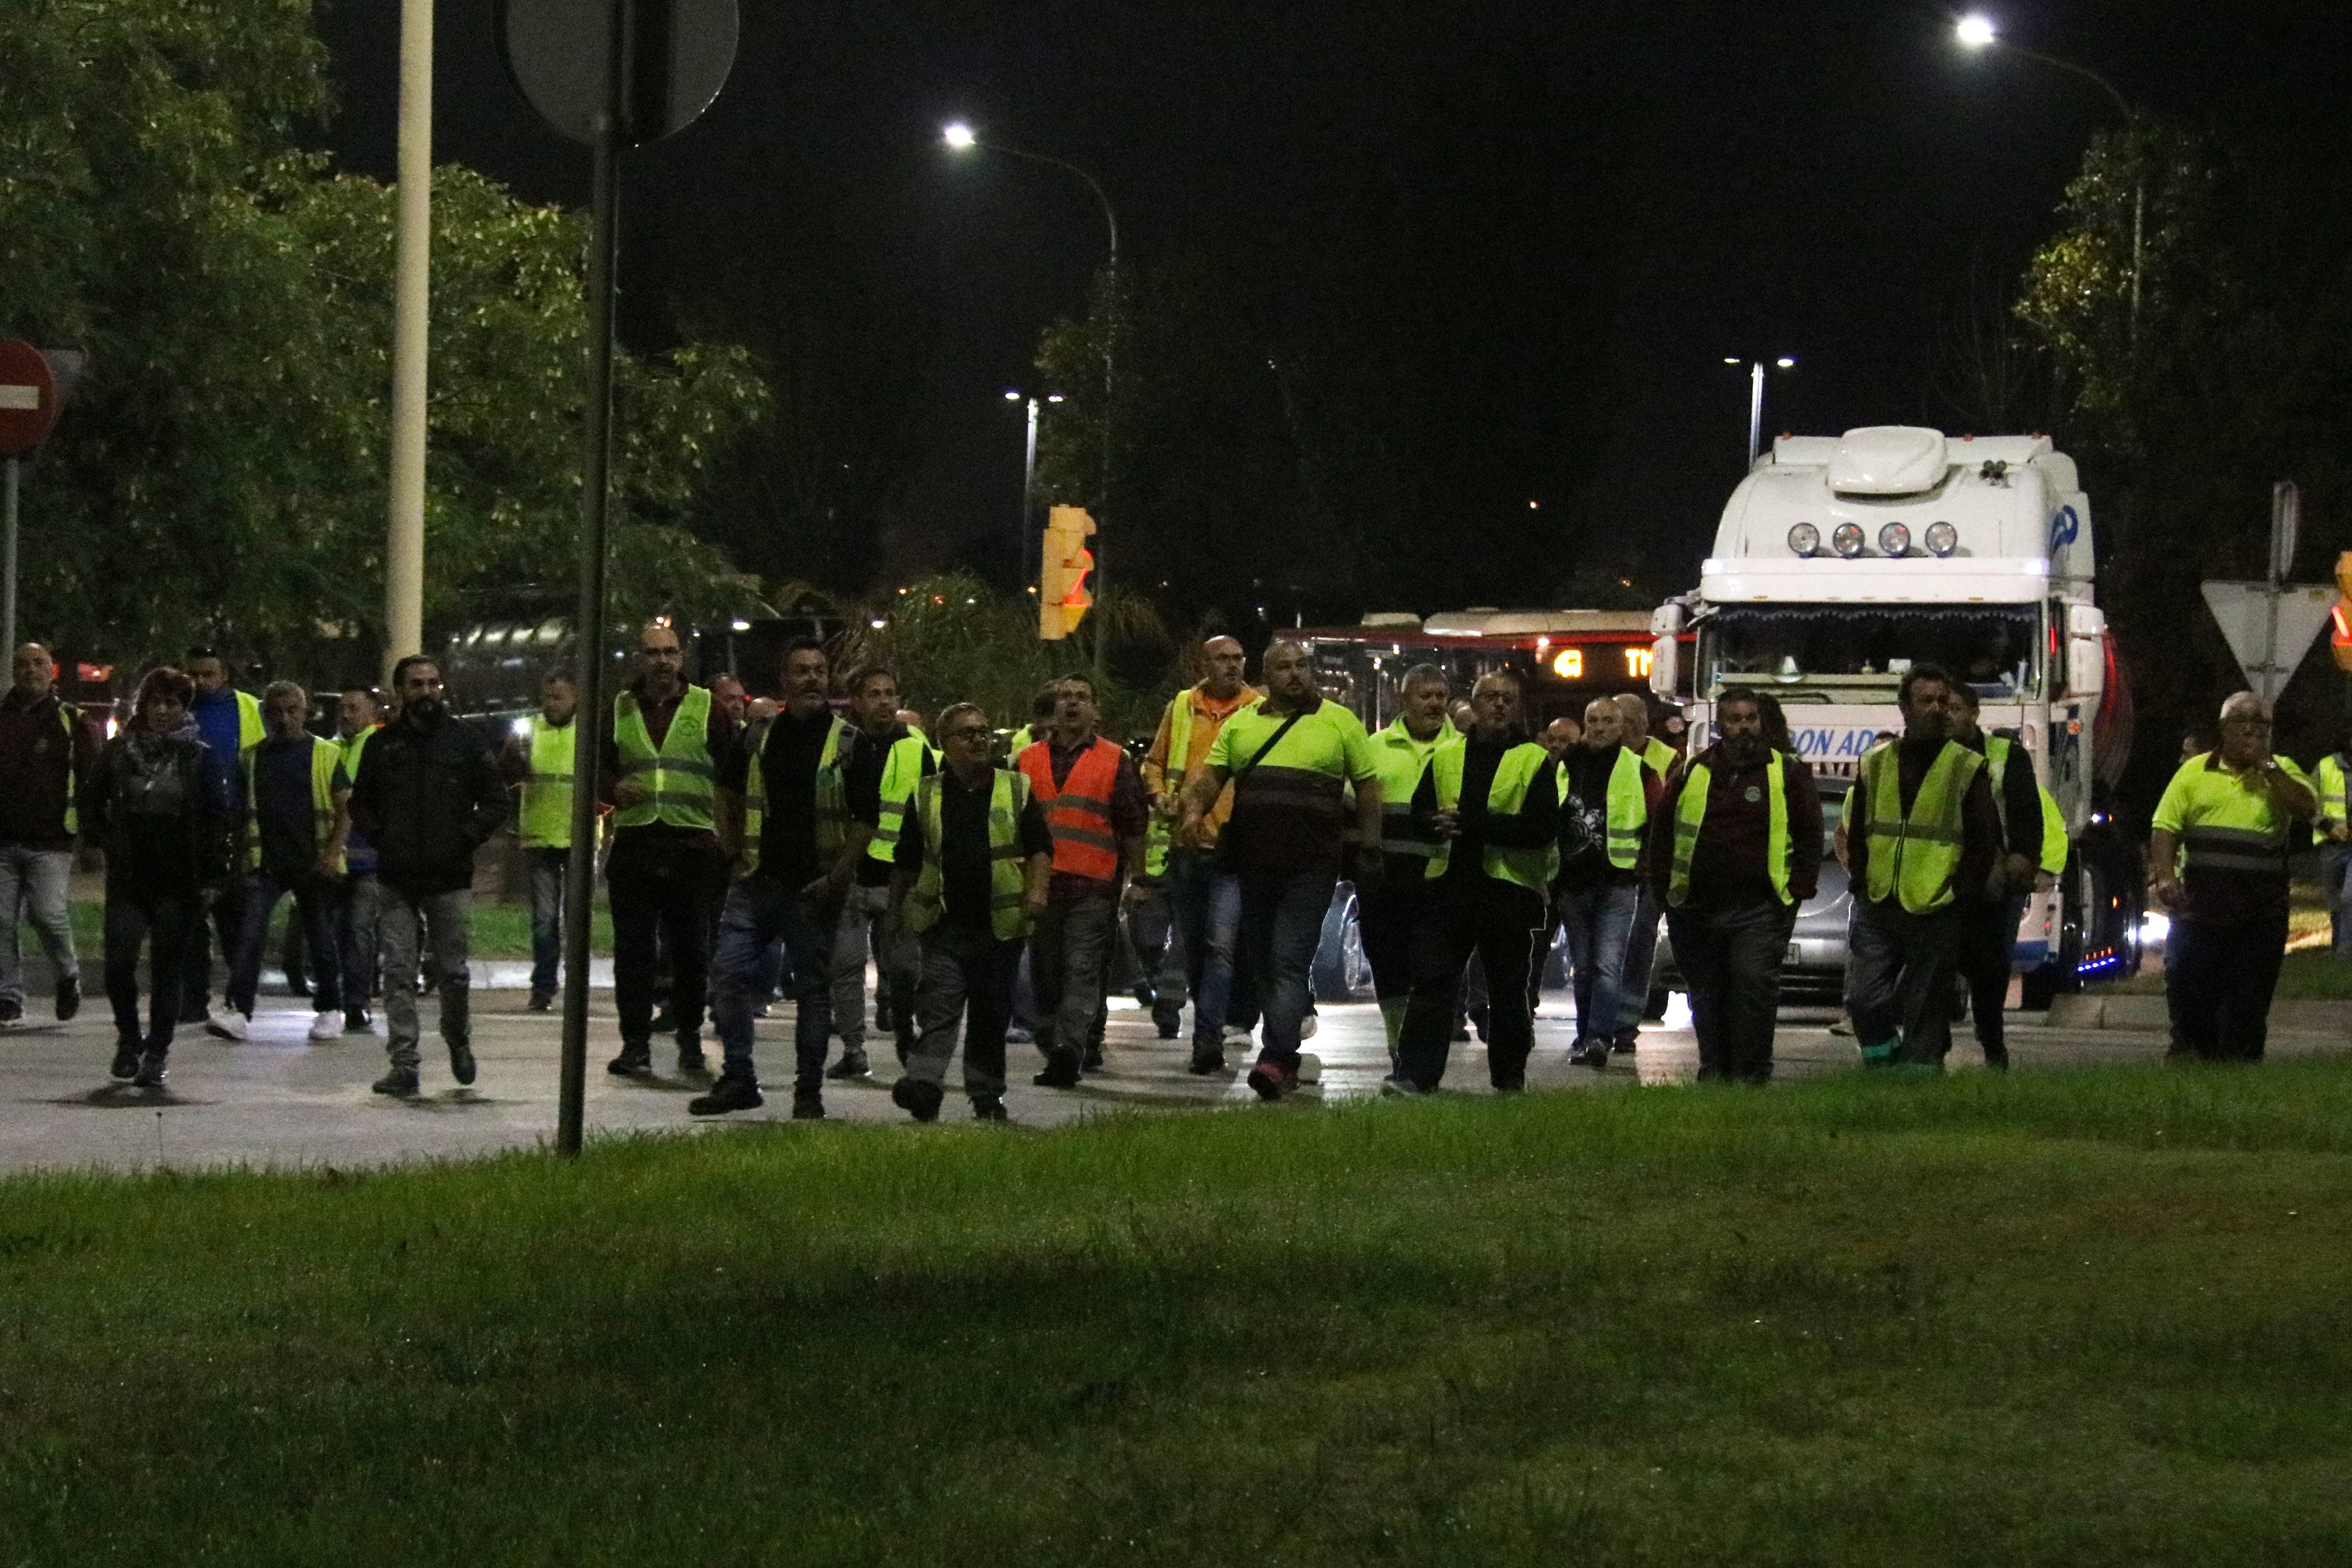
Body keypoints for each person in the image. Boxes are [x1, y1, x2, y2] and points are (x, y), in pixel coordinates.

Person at [1182, 640, 1381, 1101]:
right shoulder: (1243, 724)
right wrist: (1193, 811)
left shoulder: (1339, 722)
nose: (1296, 674)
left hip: (1310, 868)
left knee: (1288, 961)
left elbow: (1367, 788)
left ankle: (1274, 1057)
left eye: (1302, 666)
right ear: (1266, 677)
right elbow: (1211, 778)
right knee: (1262, 964)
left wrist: (1370, 847)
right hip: (1252, 866)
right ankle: (1284, 1058)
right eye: (1284, 667)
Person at [696, 638, 856, 1119]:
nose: (813, 678)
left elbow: (866, 819)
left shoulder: (846, 741)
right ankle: (739, 1078)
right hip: (755, 882)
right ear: (784, 680)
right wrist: (730, 854)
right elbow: (724, 792)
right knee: (727, 977)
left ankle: (808, 1092)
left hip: (812, 890)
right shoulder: (759, 735)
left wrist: (838, 877)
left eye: (820, 670)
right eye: (802, 670)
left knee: (812, 993)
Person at [348, 656, 509, 1097]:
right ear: (400, 691)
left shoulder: (465, 741)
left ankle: (458, 1039)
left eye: (433, 684)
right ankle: (404, 1063)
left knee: (453, 972)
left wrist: (465, 836)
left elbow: (497, 801)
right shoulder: (382, 747)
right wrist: (382, 837)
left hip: (449, 875)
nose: (427, 692)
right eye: (417, 684)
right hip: (397, 876)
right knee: (398, 970)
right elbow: (360, 803)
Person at [886, 702, 1055, 1121]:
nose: (980, 740)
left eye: (984, 732)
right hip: (945, 925)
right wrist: (894, 912)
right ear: (945, 744)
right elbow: (907, 860)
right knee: (939, 1009)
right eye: (967, 734)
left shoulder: (1015, 787)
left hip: (999, 927)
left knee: (989, 1016)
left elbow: (1040, 847)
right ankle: (924, 1085)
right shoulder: (926, 793)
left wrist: (1037, 891)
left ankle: (986, 1095)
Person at [1391, 669, 1557, 1092]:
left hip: (1508, 892)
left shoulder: (1533, 758)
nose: (1499, 705)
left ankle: (1508, 1077)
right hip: (1449, 888)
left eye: (1507, 698)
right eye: (1491, 697)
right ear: (1474, 704)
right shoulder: (1446, 755)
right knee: (1432, 984)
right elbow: (1419, 814)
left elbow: (1541, 828)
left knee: (1506, 992)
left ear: (1515, 706)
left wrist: (1476, 825)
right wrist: (1434, 824)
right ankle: (1416, 1075)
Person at [1647, 687, 1823, 1082]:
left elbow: (1811, 836)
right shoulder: (1692, 772)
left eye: (1750, 719)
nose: (1744, 727)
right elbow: (1663, 835)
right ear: (1719, 725)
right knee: (1707, 995)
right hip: (1696, 908)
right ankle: (1715, 1070)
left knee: (1752, 987)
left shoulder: (1787, 773)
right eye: (1735, 720)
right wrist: (1664, 894)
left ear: (1760, 722)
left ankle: (1753, 1072)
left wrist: (1797, 891)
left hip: (1759, 908)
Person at [1841, 663, 2003, 1070]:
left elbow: (1984, 838)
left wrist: (1962, 891)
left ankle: (1919, 1075)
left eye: (1942, 701)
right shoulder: (1875, 763)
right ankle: (1883, 1061)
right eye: (1925, 700)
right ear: (1904, 707)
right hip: (1878, 899)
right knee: (1863, 997)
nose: (1936, 709)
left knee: (1927, 999)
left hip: (1938, 901)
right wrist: (1860, 879)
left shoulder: (1966, 766)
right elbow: (1858, 827)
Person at [80, 667, 234, 1087]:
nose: (163, 711)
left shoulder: (198, 756)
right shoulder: (118, 752)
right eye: (155, 702)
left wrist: (213, 876)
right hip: (130, 876)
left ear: (184, 709)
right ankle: (129, 1040)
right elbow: (90, 800)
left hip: (178, 878)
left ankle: (158, 1051)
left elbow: (217, 820)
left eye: (172, 703)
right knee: (119, 965)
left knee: (167, 968)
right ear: (142, 705)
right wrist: (98, 841)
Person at [601, 623, 739, 1079]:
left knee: (690, 953)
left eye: (671, 652)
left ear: (682, 658)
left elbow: (732, 776)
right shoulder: (619, 709)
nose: (663, 661)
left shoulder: (708, 708)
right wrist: (614, 788)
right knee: (634, 954)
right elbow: (595, 769)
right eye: (653, 653)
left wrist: (731, 844)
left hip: (693, 845)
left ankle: (689, 1043)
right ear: (639, 659)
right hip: (637, 843)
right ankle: (635, 1044)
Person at [2149, 692, 2316, 1062]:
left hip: (2261, 914)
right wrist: (2165, 876)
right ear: (2223, 730)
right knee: (2192, 995)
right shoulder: (2194, 772)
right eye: (2243, 725)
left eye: (2262, 726)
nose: (2252, 733)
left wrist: (2269, 769)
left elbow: (2306, 808)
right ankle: (2190, 1059)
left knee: (2248, 1004)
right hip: (2200, 911)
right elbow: (2165, 827)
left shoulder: (2283, 769)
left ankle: (2239, 1073)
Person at [1019, 673, 1150, 1088]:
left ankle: (1067, 1053)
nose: (1072, 704)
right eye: (1065, 698)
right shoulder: (1026, 760)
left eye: (1081, 698)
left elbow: (1133, 824)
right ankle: (1057, 1039)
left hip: (1093, 886)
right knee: (1047, 973)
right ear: (1053, 708)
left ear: (1095, 709)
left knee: (1082, 970)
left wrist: (1138, 879)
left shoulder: (1115, 759)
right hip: (1039, 888)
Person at [1139, 634, 1263, 1066]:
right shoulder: (1181, 707)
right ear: (1204, 664)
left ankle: (1209, 1038)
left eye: (1238, 658)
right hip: (1187, 846)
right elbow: (1154, 762)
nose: (1233, 666)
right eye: (1223, 659)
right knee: (1195, 946)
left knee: (1221, 946)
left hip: (1235, 847)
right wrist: (1158, 795)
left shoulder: (1257, 710)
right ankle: (1216, 1022)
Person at [221, 681, 351, 1042]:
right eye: (276, 712)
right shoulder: (250, 758)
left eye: (292, 710)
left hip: (314, 864)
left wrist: (331, 852)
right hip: (266, 864)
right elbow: (238, 812)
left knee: (321, 936)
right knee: (250, 935)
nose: (284, 718)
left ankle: (330, 1008)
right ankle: (239, 1011)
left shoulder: (325, 755)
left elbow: (346, 808)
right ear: (265, 715)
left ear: (305, 713)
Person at [826, 665, 930, 1079]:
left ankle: (905, 1030)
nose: (885, 702)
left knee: (904, 970)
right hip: (850, 875)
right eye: (875, 694)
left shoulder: (916, 748)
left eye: (891, 693)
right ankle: (854, 1051)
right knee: (846, 968)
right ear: (857, 701)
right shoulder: (840, 745)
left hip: (897, 880)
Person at [1553, 695, 1660, 1069]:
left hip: (1618, 880)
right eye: (1593, 720)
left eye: (1607, 721)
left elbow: (1657, 826)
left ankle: (1599, 1037)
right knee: (1582, 967)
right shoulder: (1564, 766)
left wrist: (1644, 869)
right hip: (1572, 881)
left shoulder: (1640, 770)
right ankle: (1586, 1036)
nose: (1599, 728)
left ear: (1622, 727)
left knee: (1607, 966)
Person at [1947, 685, 2049, 1069]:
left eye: (1956, 708)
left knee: (1989, 972)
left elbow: (2026, 815)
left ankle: (1993, 1045)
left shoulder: (2006, 755)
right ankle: (1932, 1049)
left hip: (1994, 881)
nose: (1948, 716)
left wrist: (2021, 861)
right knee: (1939, 967)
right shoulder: (1934, 756)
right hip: (1945, 878)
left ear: (1975, 713)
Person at [1360, 664, 1455, 1068]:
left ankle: (1420, 1054)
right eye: (1425, 696)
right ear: (1404, 700)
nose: (1434, 704)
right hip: (1385, 881)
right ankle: (1398, 1044)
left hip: (1441, 883)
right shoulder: (1374, 748)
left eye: (1441, 696)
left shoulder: (1463, 749)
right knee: (1389, 966)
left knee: (1432, 971)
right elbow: (1355, 807)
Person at [0, 641, 100, 1026]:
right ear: (13, 671)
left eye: (38, 663)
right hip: (4, 840)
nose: (30, 671)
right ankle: (8, 998)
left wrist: (91, 838)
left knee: (48, 915)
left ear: (52, 670)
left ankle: (67, 974)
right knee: (2, 922)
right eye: (22, 664)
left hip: (52, 841)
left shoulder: (71, 721)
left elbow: (92, 781)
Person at [178, 647, 263, 1031]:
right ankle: (193, 1001)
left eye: (207, 674)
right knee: (190, 921)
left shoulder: (248, 708)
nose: (199, 682)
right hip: (190, 826)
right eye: (193, 674)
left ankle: (237, 1002)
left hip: (236, 823)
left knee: (235, 920)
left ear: (224, 674)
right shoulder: (177, 707)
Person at [502, 670, 579, 1012]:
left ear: (575, 698)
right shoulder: (529, 730)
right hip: (539, 835)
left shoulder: (586, 732)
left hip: (577, 836)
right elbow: (506, 776)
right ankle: (544, 989)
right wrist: (511, 756)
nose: (552, 704)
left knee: (576, 919)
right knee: (545, 919)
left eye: (559, 697)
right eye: (548, 697)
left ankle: (576, 986)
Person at [1611, 692, 1678, 1047]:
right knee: (1606, 952)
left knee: (1638, 945)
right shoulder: (1603, 756)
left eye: (1619, 719)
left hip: (1647, 872)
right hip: (1609, 869)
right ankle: (1601, 1019)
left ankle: (1625, 1020)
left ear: (1639, 722)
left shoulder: (1667, 760)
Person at [334, 688, 384, 1033]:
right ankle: (344, 998)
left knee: (358, 929)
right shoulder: (330, 748)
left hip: (369, 861)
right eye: (342, 708)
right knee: (339, 931)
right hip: (335, 860)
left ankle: (357, 1002)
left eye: (354, 708)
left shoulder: (379, 747)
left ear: (371, 713)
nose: (346, 714)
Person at [2312, 725, 2352, 959]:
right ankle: (2337, 947)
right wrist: (2326, 827)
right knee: (2335, 900)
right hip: (2332, 844)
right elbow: (2309, 801)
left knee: (2349, 897)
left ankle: (2346, 950)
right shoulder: (2325, 767)